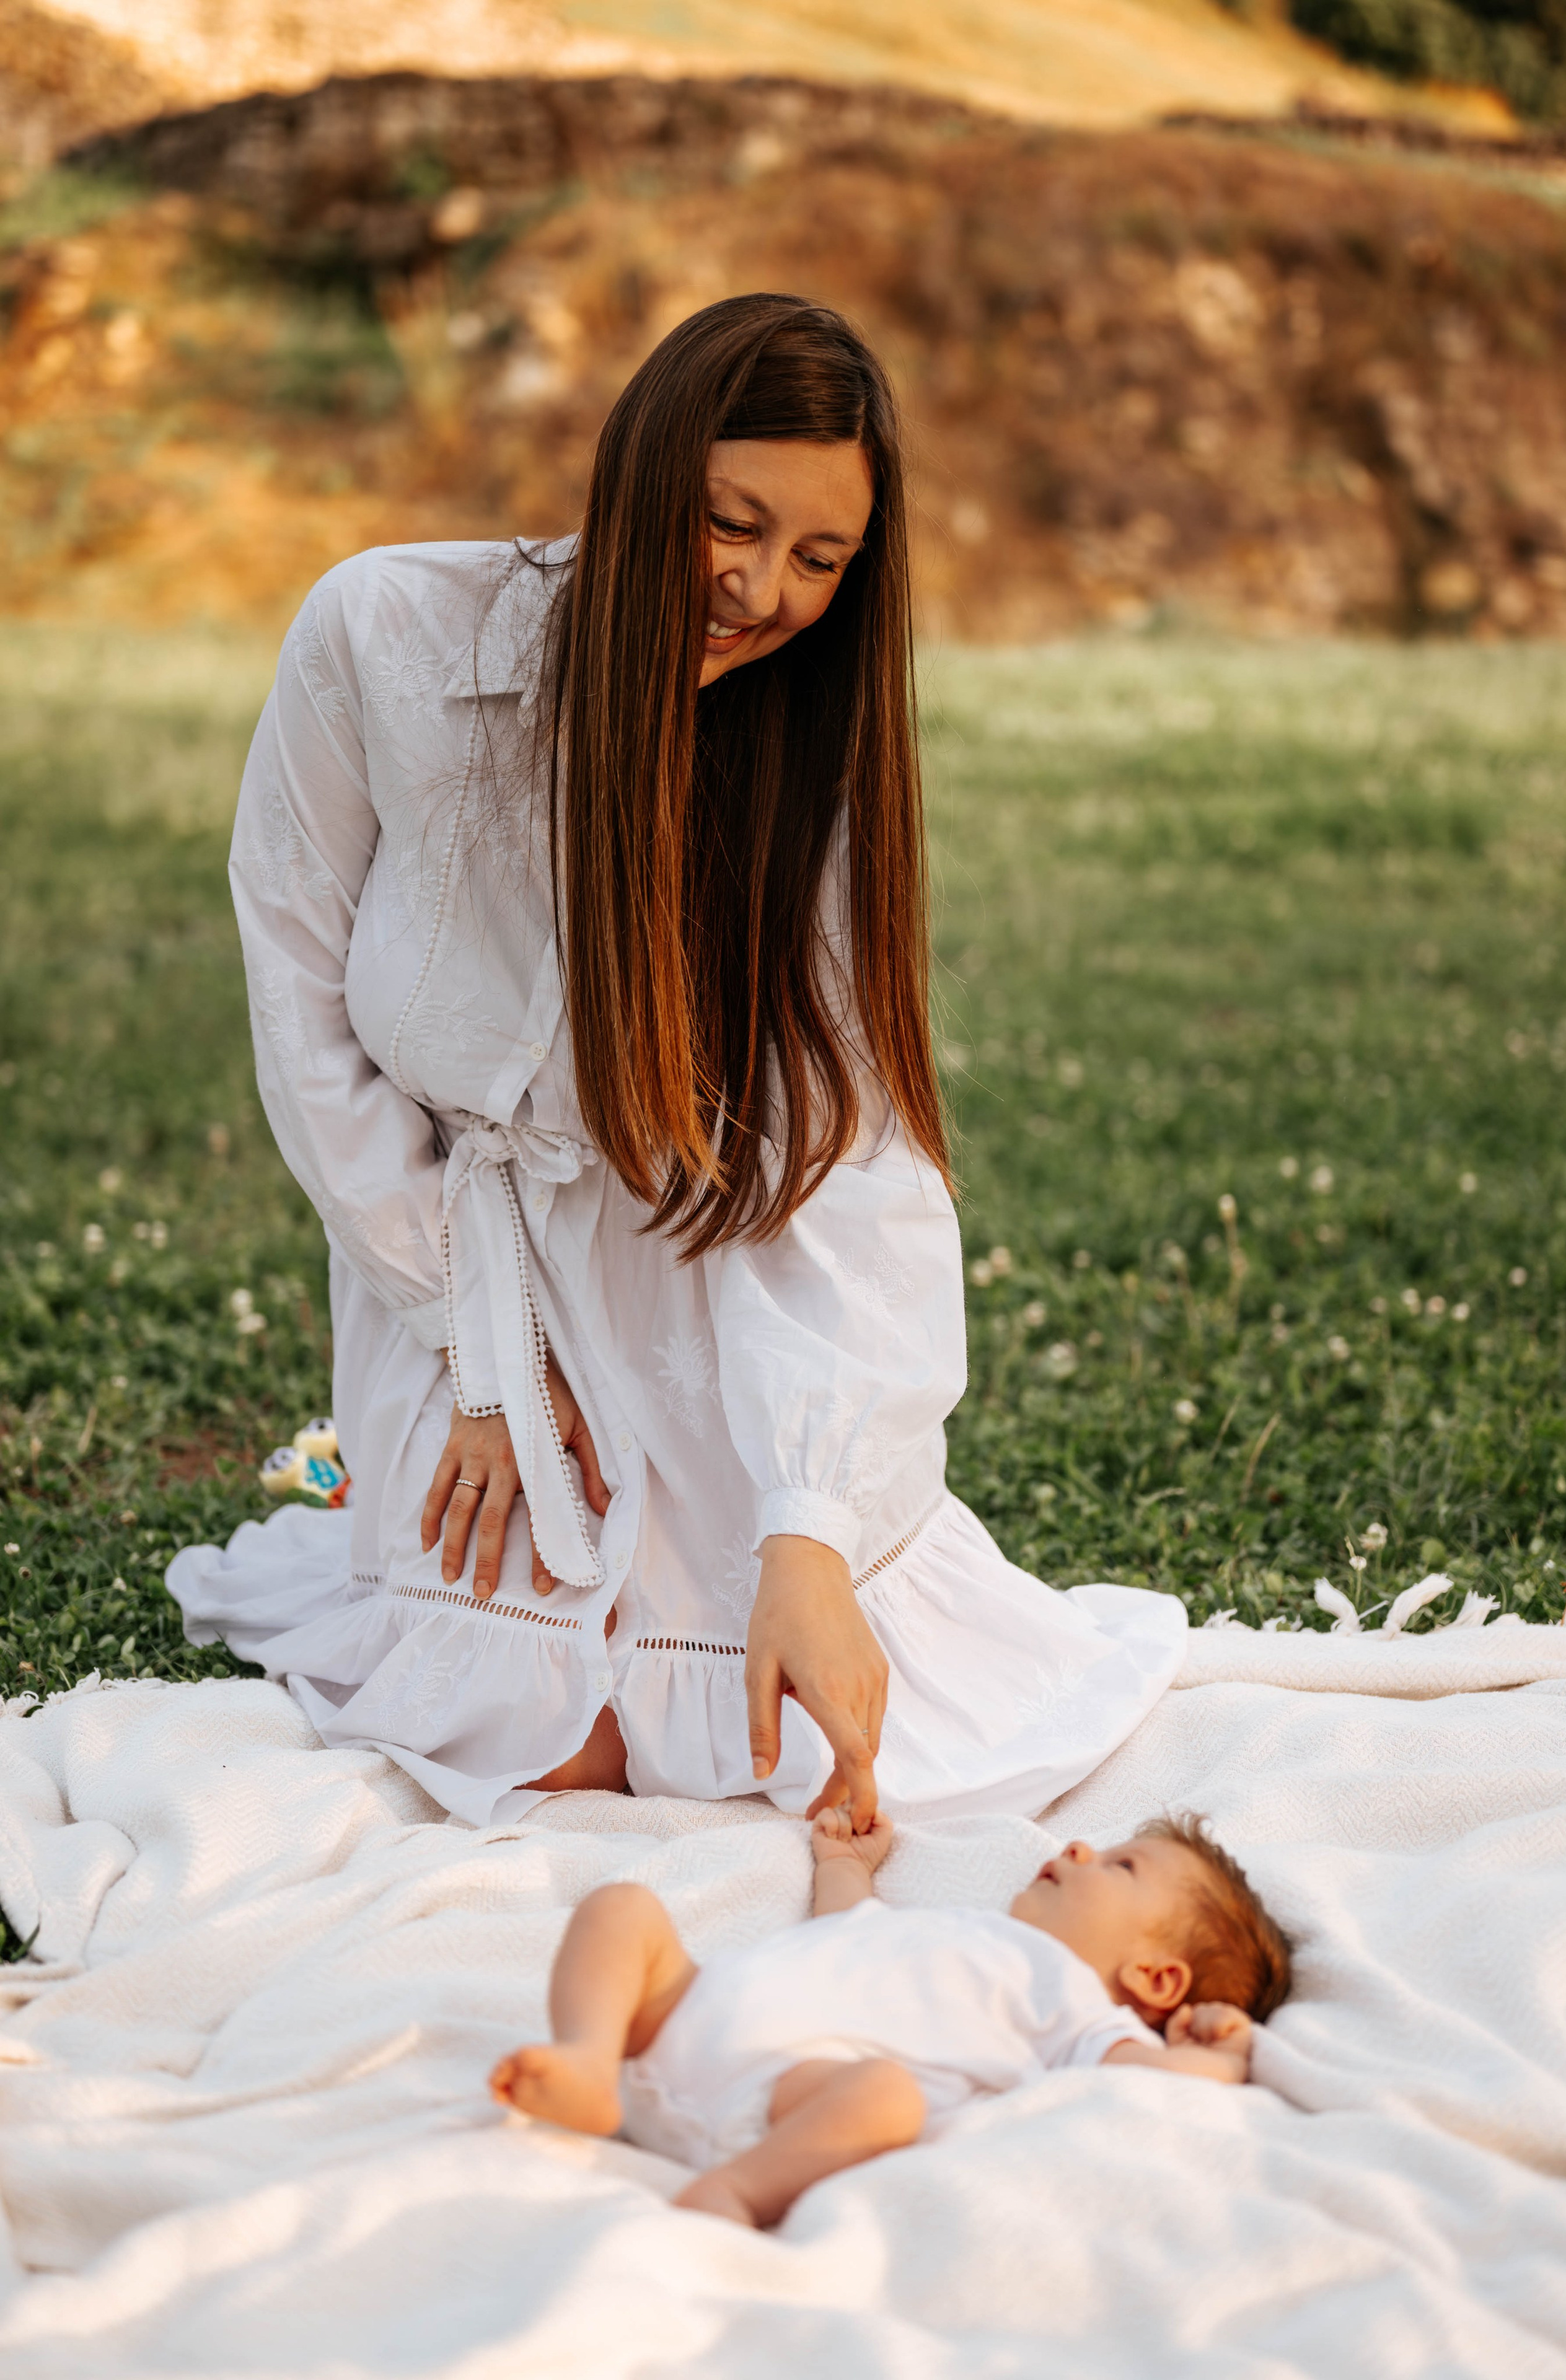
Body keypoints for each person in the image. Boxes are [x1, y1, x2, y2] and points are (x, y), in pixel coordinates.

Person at [168, 291, 1186, 1829]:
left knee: (757, 1732)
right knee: (543, 1743)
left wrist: (803, 1522)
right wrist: (477, 1348)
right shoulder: (381, 635)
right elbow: (298, 995)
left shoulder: (801, 751)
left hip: (712, 1285)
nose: (763, 587)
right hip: (451, 1271)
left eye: (820, 560)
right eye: (732, 520)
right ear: (647, 475)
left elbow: (846, 1163)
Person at [490, 1808, 1293, 2228]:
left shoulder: (1072, 2002)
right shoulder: (960, 1931)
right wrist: (845, 1862)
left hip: (784, 2091)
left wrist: (1220, 2055)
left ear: (1155, 1975)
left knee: (886, 2095)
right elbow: (852, 1922)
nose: (1082, 1847)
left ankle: (735, 2190)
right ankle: (591, 2060)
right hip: (676, 2016)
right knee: (623, 1908)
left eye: (1122, 1866)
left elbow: (1145, 2079)